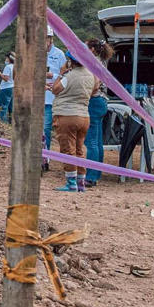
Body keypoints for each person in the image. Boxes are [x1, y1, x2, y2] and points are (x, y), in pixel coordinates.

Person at [51, 53, 97, 191]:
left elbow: (55, 89)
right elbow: (94, 90)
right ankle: (81, 182)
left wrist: (60, 74)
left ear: (71, 62)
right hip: (84, 115)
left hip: (67, 115)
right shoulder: (90, 75)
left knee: (68, 150)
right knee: (79, 149)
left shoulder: (69, 76)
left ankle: (71, 183)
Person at [83, 39, 113, 186]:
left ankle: (91, 176)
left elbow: (94, 84)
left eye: (85, 46)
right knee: (98, 140)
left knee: (91, 142)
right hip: (102, 101)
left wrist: (85, 94)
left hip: (94, 101)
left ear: (92, 49)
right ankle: (97, 173)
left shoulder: (93, 63)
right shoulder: (101, 61)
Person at [43, 32, 67, 147]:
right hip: (37, 97)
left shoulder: (59, 54)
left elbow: (65, 75)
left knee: (46, 128)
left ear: (50, 39)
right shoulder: (35, 53)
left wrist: (52, 75)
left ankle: (46, 156)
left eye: (45, 37)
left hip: (52, 98)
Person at [0, 52, 15, 122]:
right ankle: (11, 123)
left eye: (7, 58)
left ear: (9, 58)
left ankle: (3, 123)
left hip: (5, 88)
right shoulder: (15, 66)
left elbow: (6, 78)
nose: (6, 59)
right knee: (11, 107)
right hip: (12, 88)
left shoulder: (8, 67)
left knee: (3, 107)